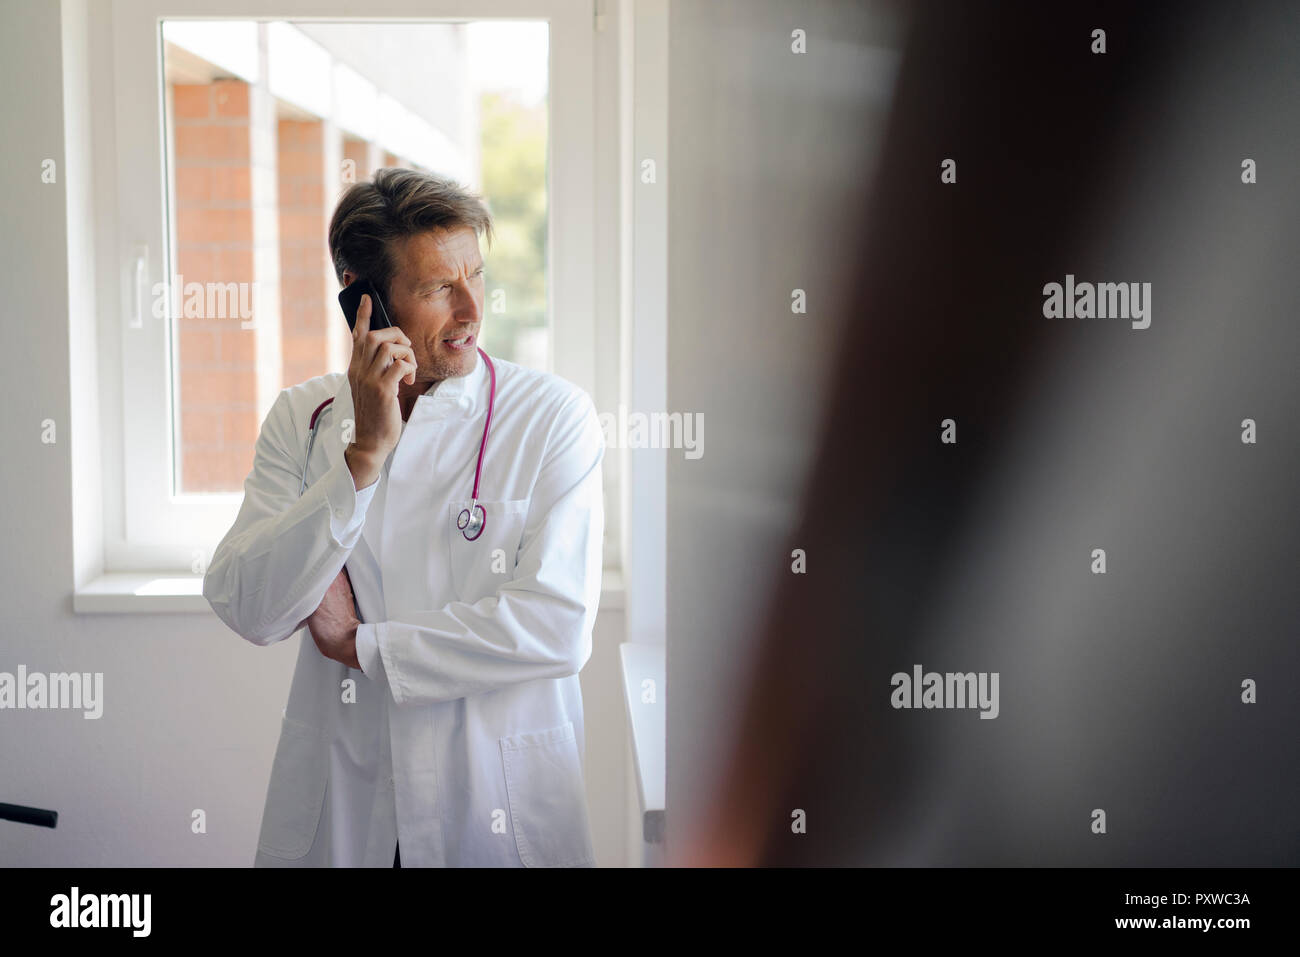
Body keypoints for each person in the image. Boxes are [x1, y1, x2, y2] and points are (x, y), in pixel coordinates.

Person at [202, 168, 605, 867]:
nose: (472, 308)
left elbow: (557, 624)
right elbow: (251, 605)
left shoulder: (551, 417)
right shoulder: (305, 421)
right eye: (436, 288)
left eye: (475, 276)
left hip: (493, 813)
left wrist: (365, 643)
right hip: (350, 811)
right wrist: (359, 460)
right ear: (365, 299)